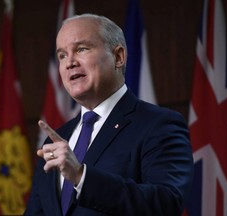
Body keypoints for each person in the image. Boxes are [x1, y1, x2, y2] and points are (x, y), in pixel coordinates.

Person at [25, 14, 194, 216]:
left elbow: (166, 202)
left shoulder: (159, 125)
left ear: (118, 57)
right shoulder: (56, 139)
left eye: (81, 49)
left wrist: (81, 176)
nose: (69, 62)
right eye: (62, 55)